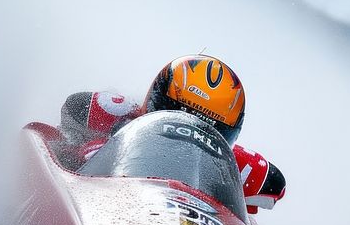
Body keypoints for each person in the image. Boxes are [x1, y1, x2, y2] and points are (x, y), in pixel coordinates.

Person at [56, 54, 286, 214]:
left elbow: (276, 185)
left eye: (209, 126)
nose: (188, 131)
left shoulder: (244, 168)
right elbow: (71, 112)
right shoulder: (114, 112)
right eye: (177, 111)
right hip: (109, 206)